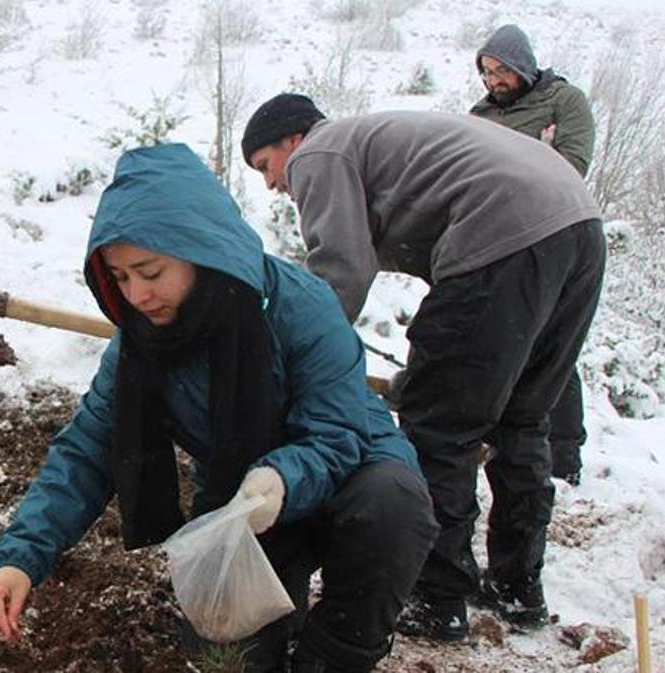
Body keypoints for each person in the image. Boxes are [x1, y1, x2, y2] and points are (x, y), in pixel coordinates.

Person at [0, 143, 437, 673]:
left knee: (391, 504)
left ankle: (333, 655)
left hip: (348, 473)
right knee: (229, 657)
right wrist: (21, 558)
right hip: (242, 500)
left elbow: (338, 432)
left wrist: (282, 477)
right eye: (121, 277)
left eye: (150, 272)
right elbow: (87, 449)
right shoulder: (140, 343)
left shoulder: (300, 308)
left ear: (202, 250)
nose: (138, 295)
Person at [241, 94, 605, 642]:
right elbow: (473, 331)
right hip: (577, 230)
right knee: (522, 420)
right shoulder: (384, 143)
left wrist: (298, 358)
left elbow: (341, 271)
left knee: (438, 429)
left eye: (266, 166)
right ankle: (517, 588)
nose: (272, 184)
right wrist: (430, 372)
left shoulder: (321, 151)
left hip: (504, 235)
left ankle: (437, 599)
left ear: (292, 140)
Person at [471, 24, 596, 485]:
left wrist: (533, 164)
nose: (494, 81)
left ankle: (564, 458)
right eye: (486, 72)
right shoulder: (479, 115)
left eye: (502, 70)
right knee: (500, 342)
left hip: (552, 232)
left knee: (552, 342)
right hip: (493, 243)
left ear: (523, 65)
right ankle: (497, 442)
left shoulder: (564, 100)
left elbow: (571, 166)